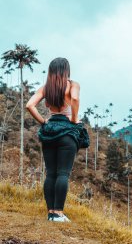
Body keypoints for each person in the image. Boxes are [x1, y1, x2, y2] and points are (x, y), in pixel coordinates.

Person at [26, 57, 80, 222]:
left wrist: (43, 121)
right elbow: (75, 99)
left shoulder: (45, 89)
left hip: (49, 131)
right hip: (67, 132)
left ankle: (51, 213)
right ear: (66, 70)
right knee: (63, 173)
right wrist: (74, 120)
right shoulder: (73, 85)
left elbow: (29, 105)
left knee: (51, 174)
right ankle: (59, 213)